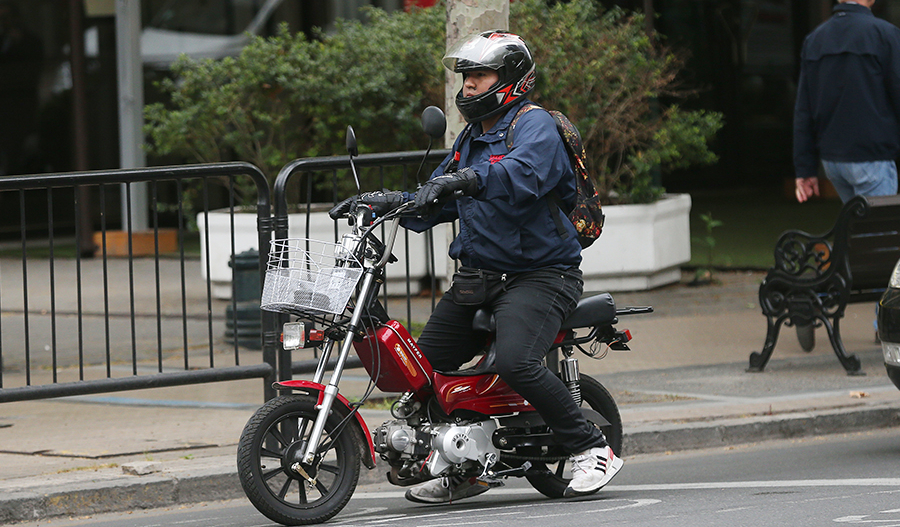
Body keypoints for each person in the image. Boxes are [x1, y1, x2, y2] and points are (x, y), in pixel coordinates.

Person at [334, 30, 622, 503]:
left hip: (541, 276)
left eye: (478, 76)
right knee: (420, 370)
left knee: (516, 361)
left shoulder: (534, 127)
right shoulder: (471, 136)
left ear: (509, 79)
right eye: (465, 78)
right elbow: (440, 199)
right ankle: (468, 465)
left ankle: (592, 448)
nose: (467, 87)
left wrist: (465, 178)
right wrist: (389, 203)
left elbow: (521, 175)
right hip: (478, 279)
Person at [794, 0, 900, 204]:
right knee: (877, 232)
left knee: (857, 229)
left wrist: (805, 168)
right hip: (871, 155)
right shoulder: (885, 34)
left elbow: (803, 110)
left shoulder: (815, 39)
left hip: (833, 161)